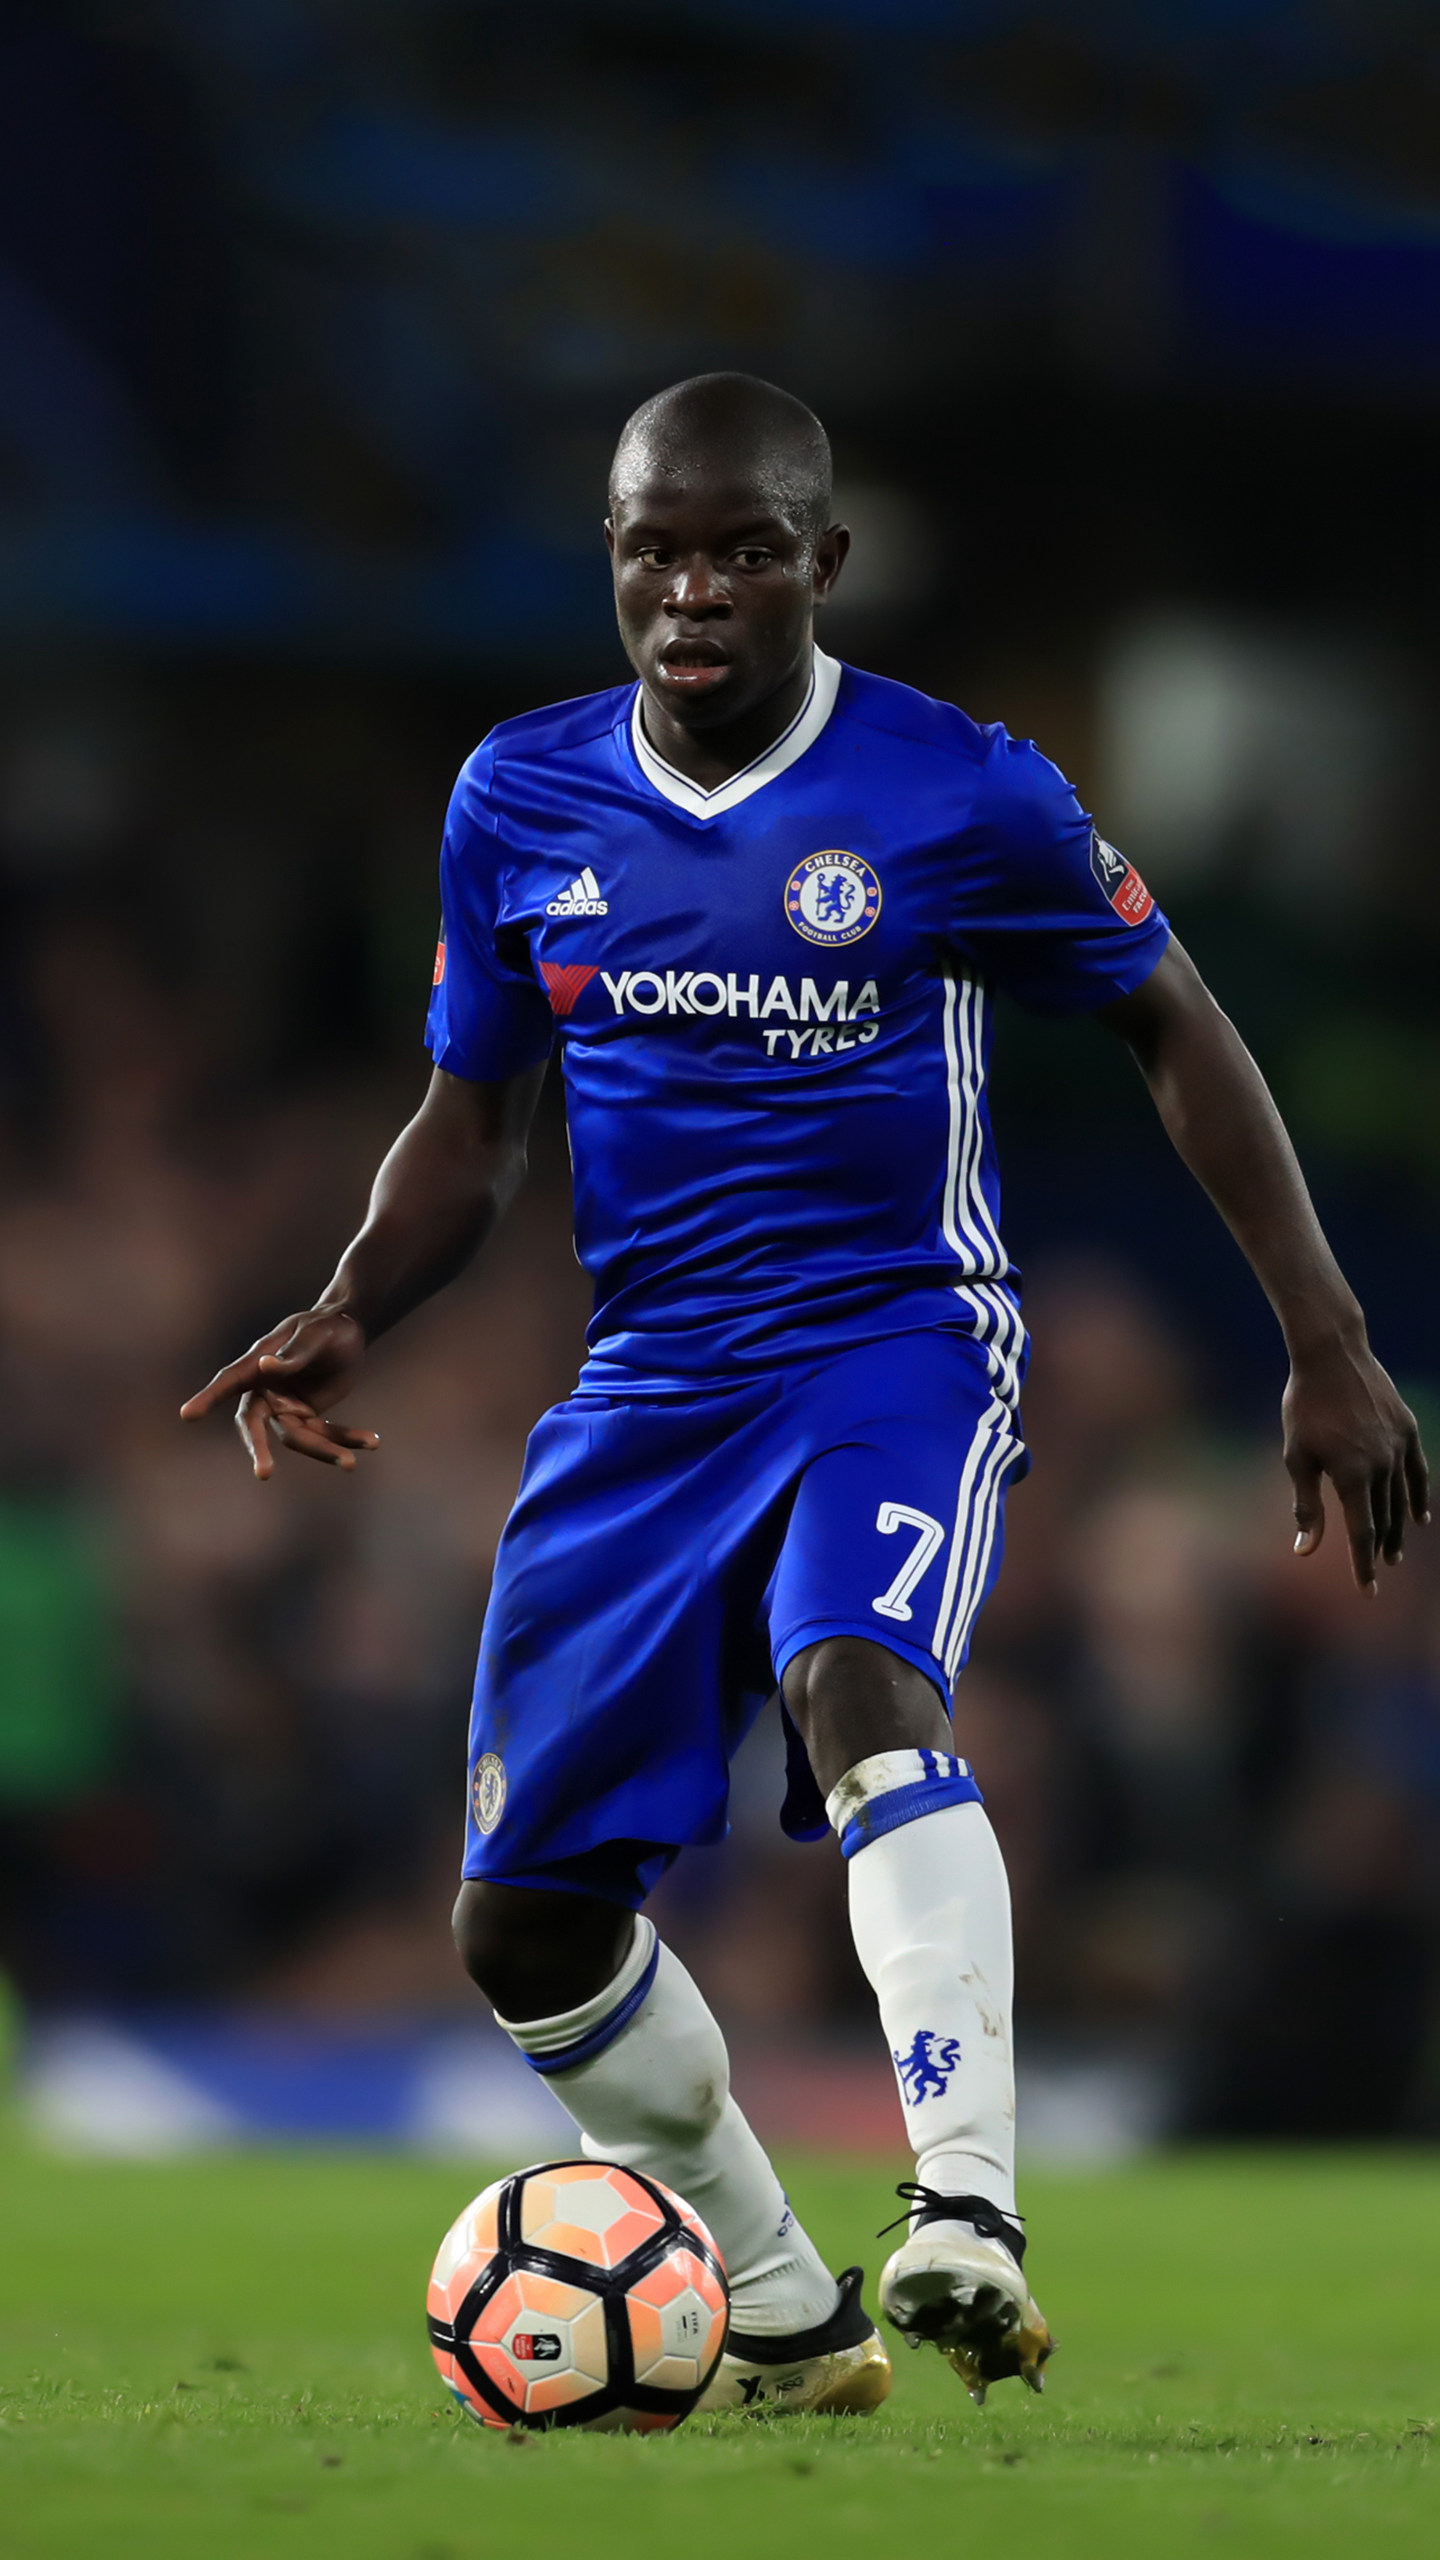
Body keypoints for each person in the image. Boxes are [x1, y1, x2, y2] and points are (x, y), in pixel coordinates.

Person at [183, 372, 1428, 2416]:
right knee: (522, 1929)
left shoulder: (960, 788)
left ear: (822, 563)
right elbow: (472, 1124)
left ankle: (968, 2212)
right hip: (650, 1383)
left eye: (743, 550)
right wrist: (349, 1302)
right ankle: (779, 2309)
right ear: (611, 560)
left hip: (893, 1338)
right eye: (655, 550)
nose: (694, 590)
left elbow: (1178, 1022)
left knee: (858, 1685)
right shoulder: (520, 795)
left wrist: (1327, 1336)